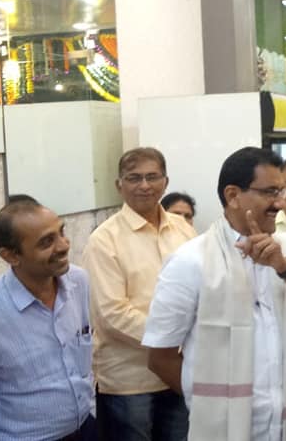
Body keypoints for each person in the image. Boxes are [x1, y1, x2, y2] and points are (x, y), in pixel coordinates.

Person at [142, 147, 286, 441]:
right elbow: (160, 356)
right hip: (222, 429)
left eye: (281, 192)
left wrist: (284, 268)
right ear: (233, 195)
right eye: (270, 192)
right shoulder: (190, 260)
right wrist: (211, 403)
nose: (280, 203)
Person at [0, 198, 96, 440]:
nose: (63, 246)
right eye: (47, 242)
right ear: (11, 256)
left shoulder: (78, 281)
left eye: (61, 232)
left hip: (85, 429)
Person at [81, 148, 197, 441]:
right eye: (134, 178)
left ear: (165, 182)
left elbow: (201, 285)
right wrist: (172, 339)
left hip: (181, 371)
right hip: (130, 382)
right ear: (119, 185)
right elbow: (111, 314)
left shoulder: (183, 229)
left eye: (152, 177)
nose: (144, 185)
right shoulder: (103, 240)